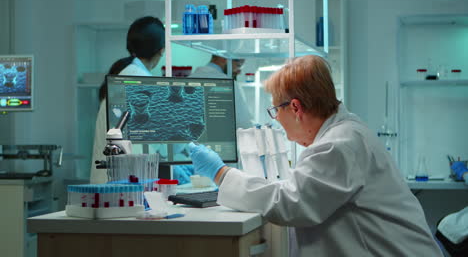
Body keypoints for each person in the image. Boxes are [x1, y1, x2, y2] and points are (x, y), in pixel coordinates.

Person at [188, 55, 444, 256]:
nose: (276, 119)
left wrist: (221, 173)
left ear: (296, 107)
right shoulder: (344, 132)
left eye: (275, 110)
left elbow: (291, 203)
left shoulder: (339, 144)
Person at [90, 16, 191, 185]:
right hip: (125, 187)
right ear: (162, 50)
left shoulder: (124, 75)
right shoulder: (143, 82)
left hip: (110, 185)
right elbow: (168, 147)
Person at [190, 55, 255, 129]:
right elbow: (243, 123)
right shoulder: (228, 83)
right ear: (224, 58)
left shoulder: (188, 79)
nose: (239, 72)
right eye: (238, 65)